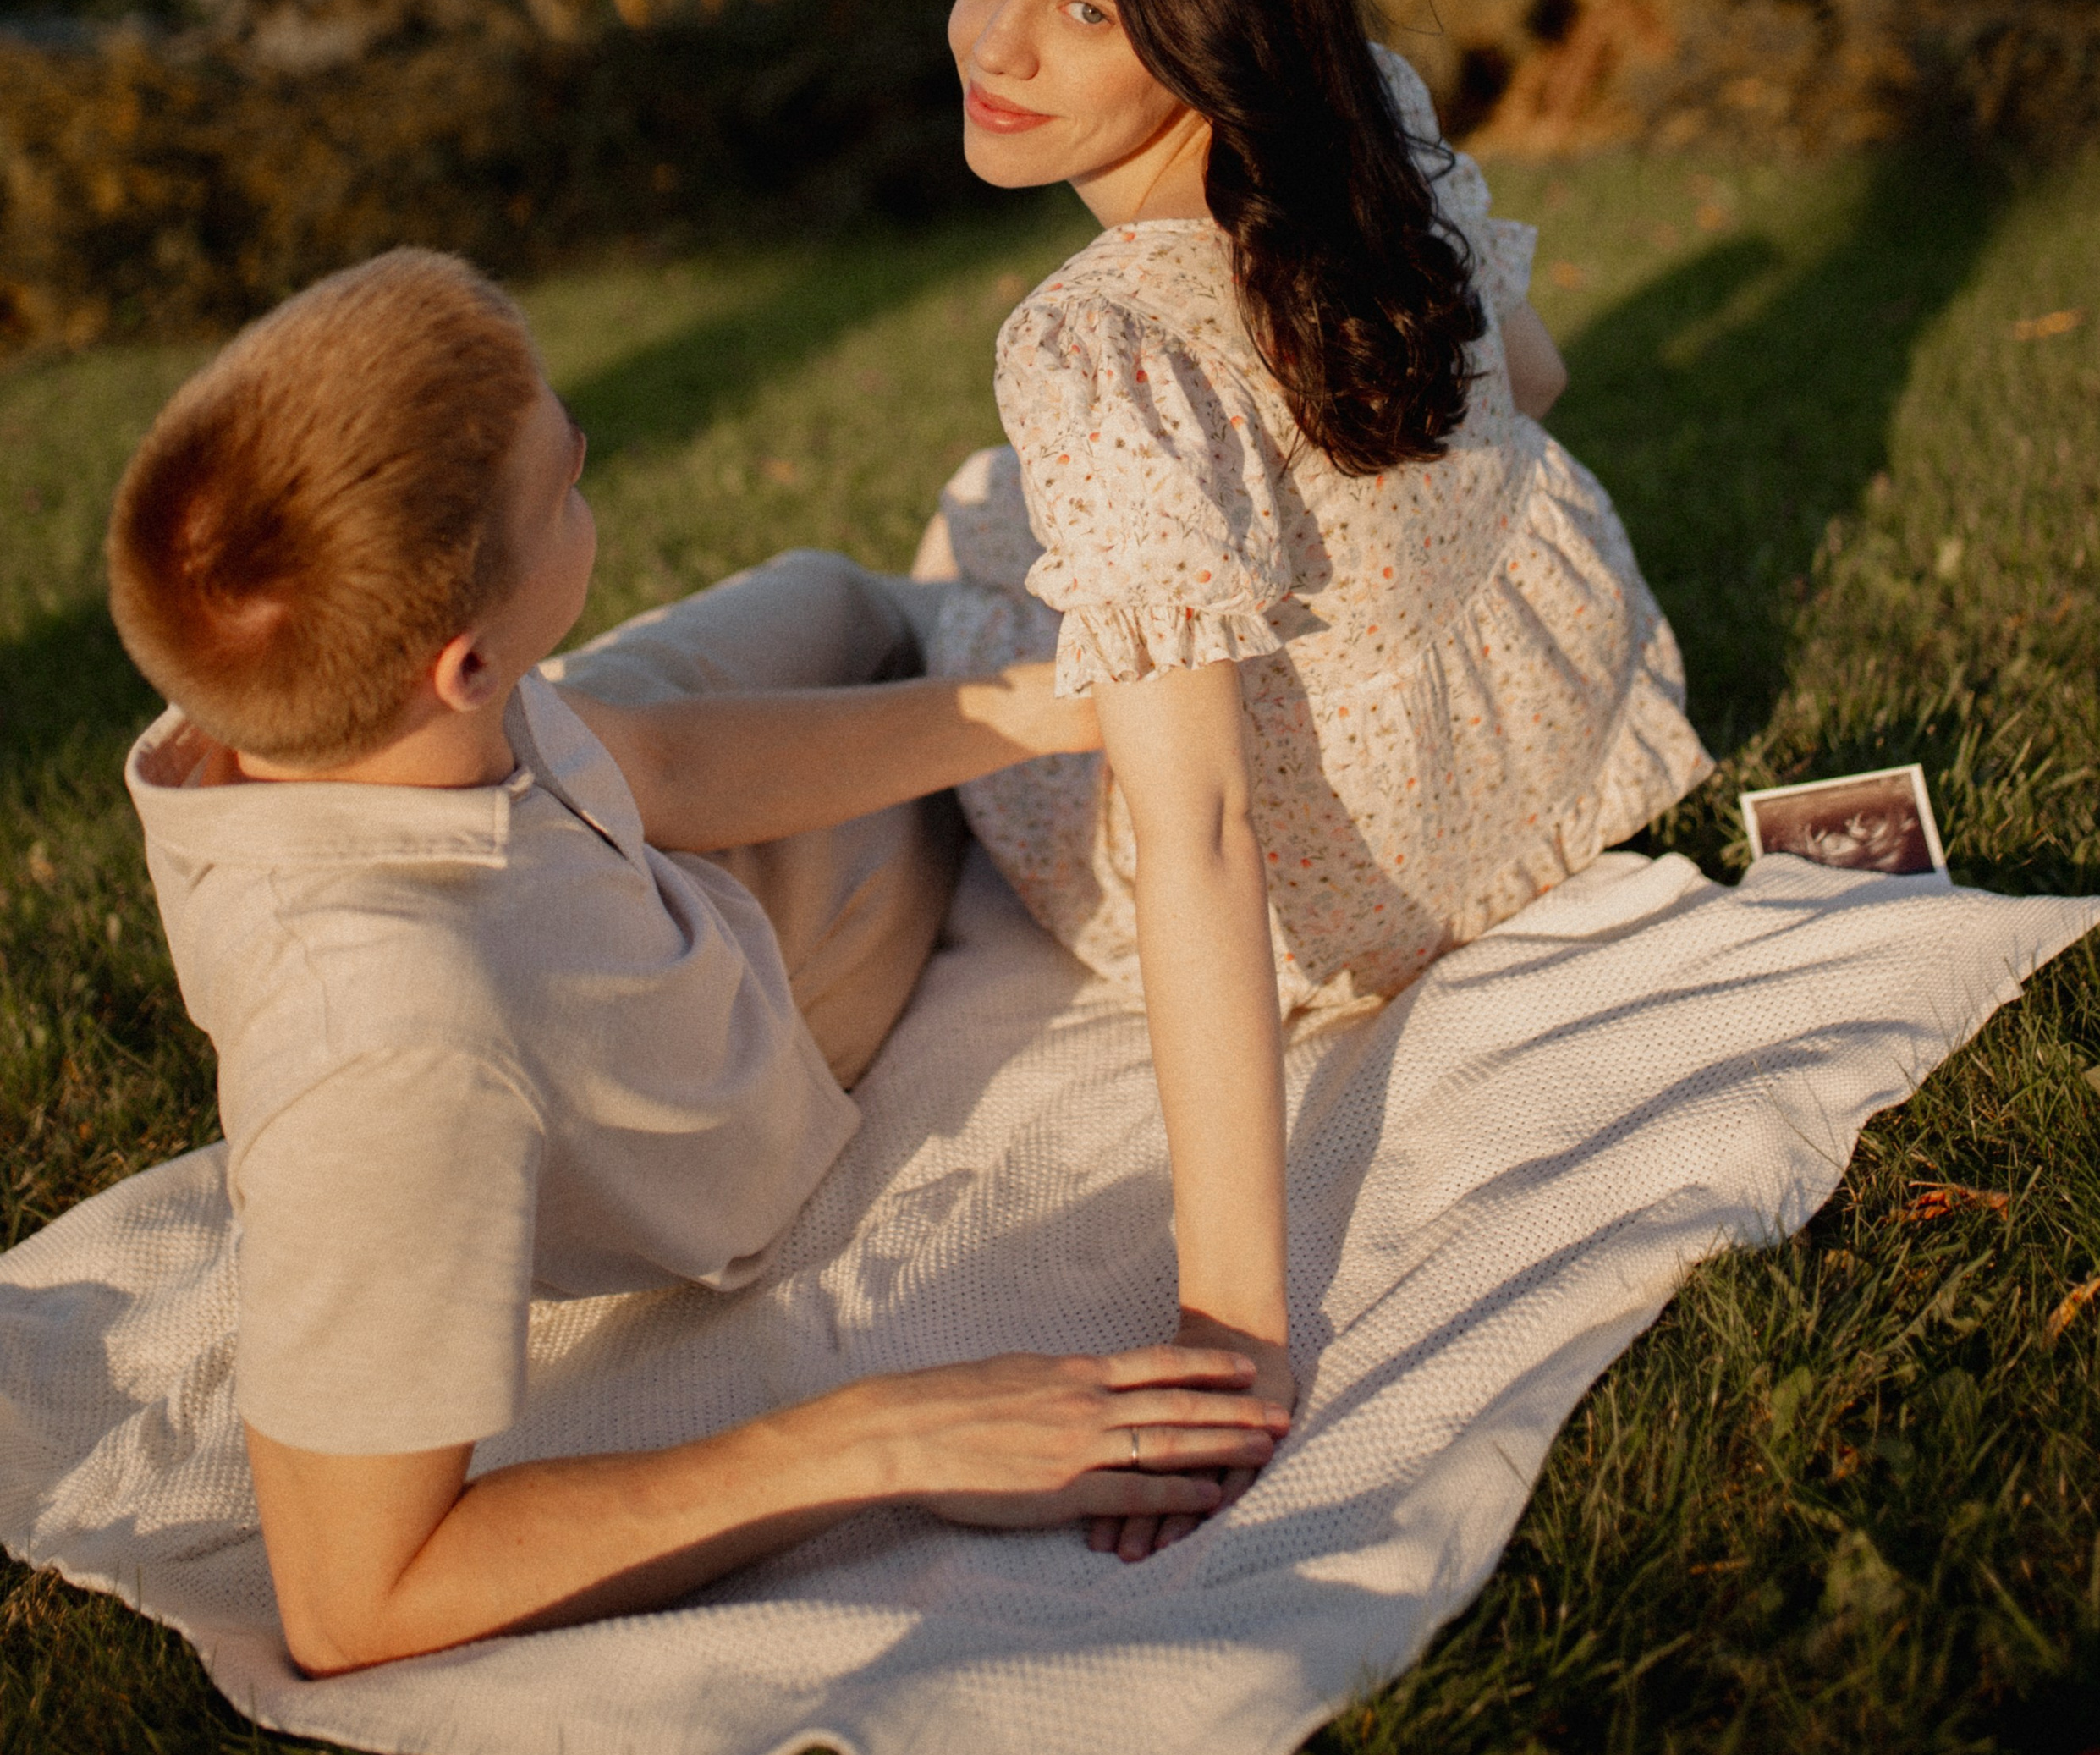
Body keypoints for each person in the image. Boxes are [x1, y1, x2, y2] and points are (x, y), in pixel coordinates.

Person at [104, 248, 1291, 1675]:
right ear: (464, 668)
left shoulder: (347, 702)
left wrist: (1024, 710)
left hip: (601, 871)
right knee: (968, 746)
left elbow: (643, 762)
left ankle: (985, 633)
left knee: (843, 606)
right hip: (726, 1016)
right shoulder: (390, 1054)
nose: (590, 470)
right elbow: (358, 1601)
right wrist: (880, 1436)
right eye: (573, 481)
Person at [936, 0, 1714, 1560]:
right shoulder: (1362, 101)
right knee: (1043, 547)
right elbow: (1530, 383)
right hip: (1553, 714)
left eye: (1083, 10)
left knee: (959, 577)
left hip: (1341, 879)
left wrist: (1234, 1321)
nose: (993, 46)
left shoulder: (1092, 345)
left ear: (1204, 28)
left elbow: (1197, 838)